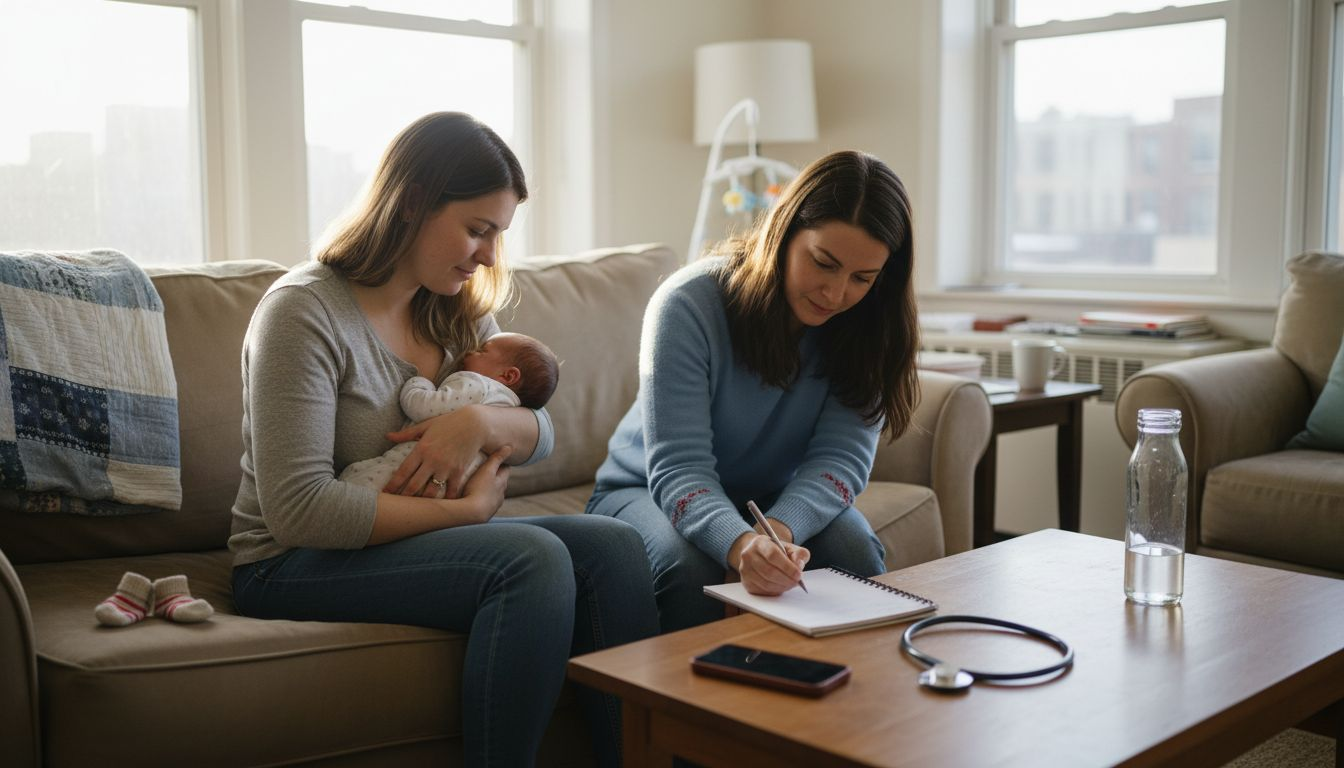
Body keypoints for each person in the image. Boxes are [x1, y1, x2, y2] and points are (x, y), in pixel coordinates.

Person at [228, 112, 657, 767]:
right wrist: (464, 512)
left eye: (497, 235)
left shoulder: (451, 306)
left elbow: (541, 431)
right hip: (287, 564)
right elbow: (297, 510)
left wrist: (479, 423)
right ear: (412, 204)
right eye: (477, 230)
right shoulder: (304, 313)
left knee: (617, 548)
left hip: (416, 537)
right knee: (532, 560)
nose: (488, 255)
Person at [586, 150, 919, 633]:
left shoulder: (870, 328)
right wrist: (741, 546)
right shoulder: (687, 304)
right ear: (785, 232)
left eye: (862, 279)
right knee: (691, 570)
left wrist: (775, 536)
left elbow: (840, 461)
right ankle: (690, 709)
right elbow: (679, 469)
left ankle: (845, 703)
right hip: (642, 490)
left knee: (853, 551)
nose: (835, 293)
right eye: (824, 263)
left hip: (770, 500)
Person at [338, 331, 560, 491]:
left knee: (360, 482)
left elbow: (424, 407)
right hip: (458, 488)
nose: (470, 352)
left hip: (411, 468)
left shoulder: (478, 385)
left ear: (508, 376)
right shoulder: (509, 403)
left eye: (481, 350)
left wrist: (418, 383)